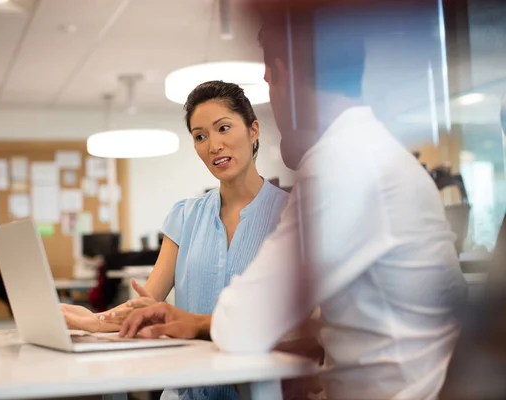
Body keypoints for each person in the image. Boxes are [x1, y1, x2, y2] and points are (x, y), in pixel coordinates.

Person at [119, 4, 468, 400]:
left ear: (282, 75)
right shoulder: (371, 151)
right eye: (201, 136)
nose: (214, 145)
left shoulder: (342, 164)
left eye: (269, 82)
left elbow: (244, 323)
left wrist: (199, 323)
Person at [61, 80, 289, 399]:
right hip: (186, 391)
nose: (214, 145)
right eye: (200, 136)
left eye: (223, 128)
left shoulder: (290, 217)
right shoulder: (185, 216)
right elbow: (147, 302)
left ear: (253, 131)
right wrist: (94, 321)